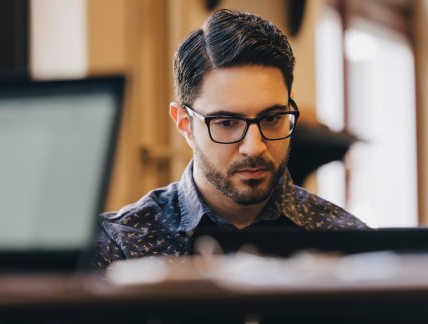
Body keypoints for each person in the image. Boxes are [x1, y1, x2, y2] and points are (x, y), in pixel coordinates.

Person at [83, 9, 369, 271]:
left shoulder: (351, 244)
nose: (254, 147)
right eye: (227, 123)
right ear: (184, 123)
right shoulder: (118, 249)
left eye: (272, 118)